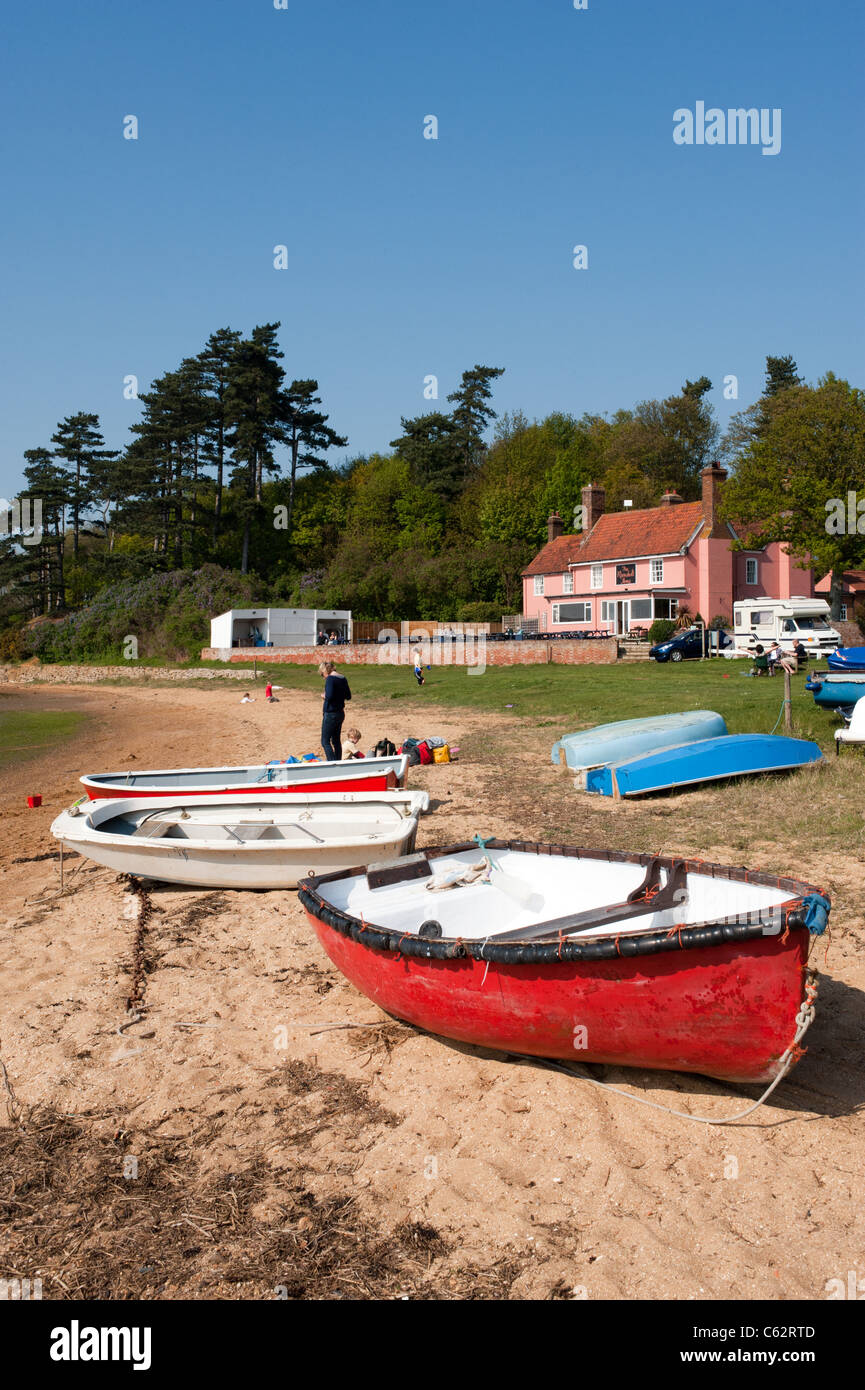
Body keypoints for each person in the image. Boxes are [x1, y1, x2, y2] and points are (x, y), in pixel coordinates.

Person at [319, 661, 351, 761]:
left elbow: (329, 696)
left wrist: (324, 696)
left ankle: (332, 763)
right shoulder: (343, 678)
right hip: (340, 713)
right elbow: (348, 696)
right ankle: (338, 762)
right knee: (336, 740)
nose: (323, 677)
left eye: (322, 674)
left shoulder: (330, 679)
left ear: (325, 671)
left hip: (331, 713)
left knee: (325, 741)